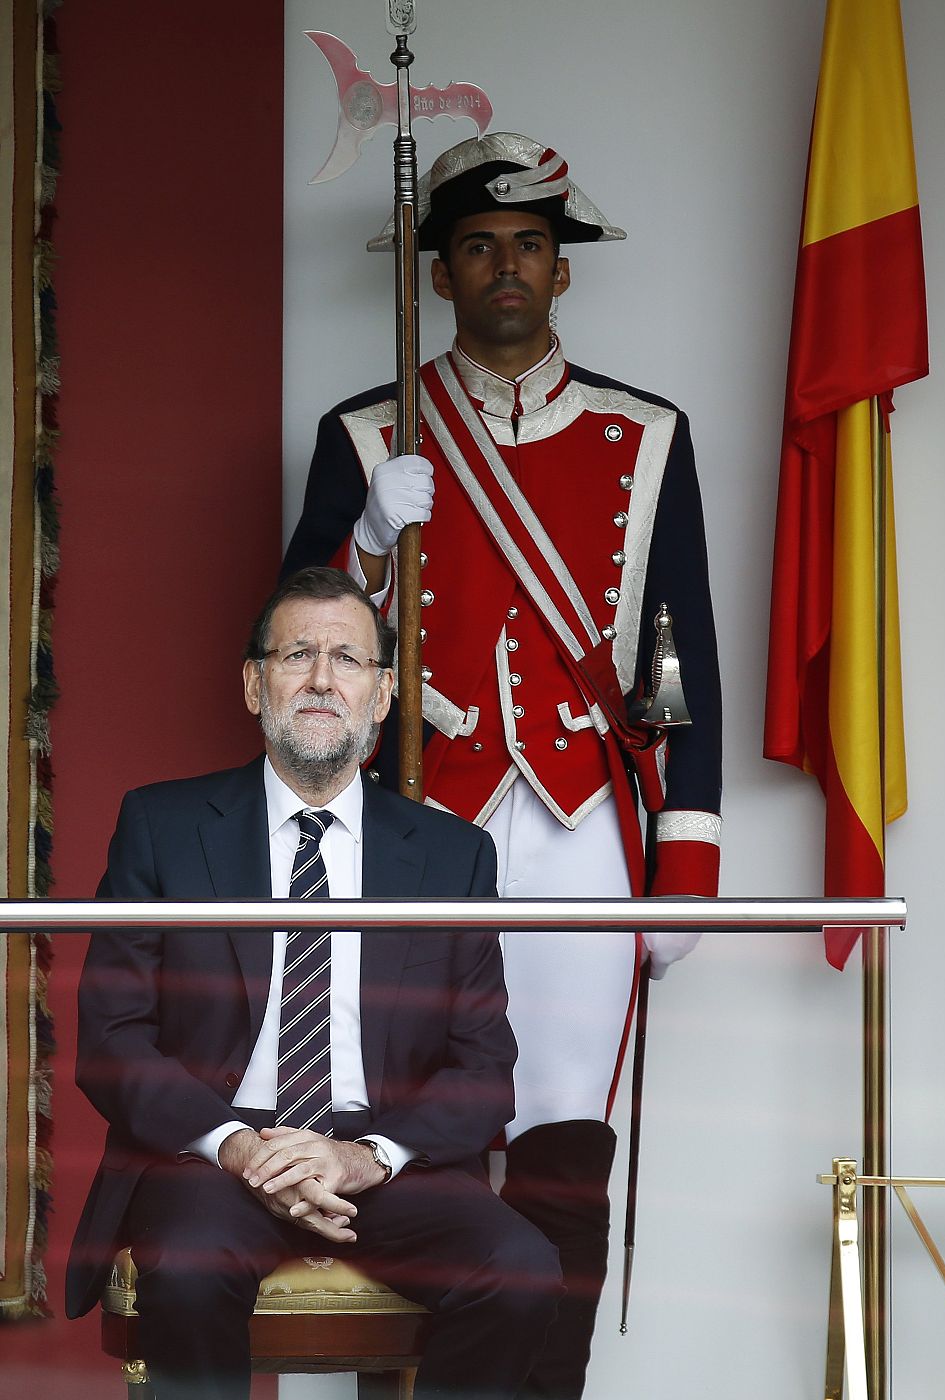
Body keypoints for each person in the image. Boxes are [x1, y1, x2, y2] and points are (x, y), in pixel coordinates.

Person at [283, 132, 723, 1400]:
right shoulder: (368, 434)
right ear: (440, 273)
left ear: (560, 268)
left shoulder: (644, 434)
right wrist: (366, 542)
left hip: (586, 820)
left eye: (528, 244)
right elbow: (292, 644)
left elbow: (679, 646)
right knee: (404, 1131)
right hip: (418, 818)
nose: (506, 267)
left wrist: (684, 855)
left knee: (563, 1140)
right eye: (477, 247)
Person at [66, 566, 562, 1400]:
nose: (323, 679)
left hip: (381, 1158)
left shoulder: (452, 856)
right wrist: (239, 1147)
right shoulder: (163, 825)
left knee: (520, 1269)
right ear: (254, 685)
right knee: (187, 1267)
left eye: (348, 659)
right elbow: (112, 1039)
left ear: (383, 694)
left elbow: (483, 1071)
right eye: (297, 654)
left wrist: (363, 1158)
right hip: (214, 1155)